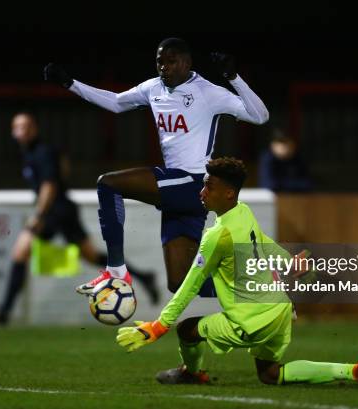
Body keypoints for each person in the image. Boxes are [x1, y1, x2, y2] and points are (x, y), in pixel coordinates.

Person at [115, 157, 358, 386]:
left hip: (252, 321)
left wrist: (160, 325)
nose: (202, 192)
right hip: (279, 310)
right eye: (203, 185)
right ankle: (355, 370)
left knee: (187, 329)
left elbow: (191, 283)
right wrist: (291, 263)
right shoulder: (243, 212)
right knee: (270, 374)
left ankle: (192, 373)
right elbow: (265, 243)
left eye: (209, 186)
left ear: (229, 194)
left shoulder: (217, 235)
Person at [43, 38, 269, 297]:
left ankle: (115, 270)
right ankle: (261, 292)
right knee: (180, 283)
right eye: (160, 61)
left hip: (193, 182)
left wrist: (233, 77)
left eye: (171, 61)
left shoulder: (208, 92)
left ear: (186, 63)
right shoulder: (153, 88)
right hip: (180, 191)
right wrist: (70, 84)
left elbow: (260, 116)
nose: (164, 67)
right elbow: (116, 102)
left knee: (108, 183)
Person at [0, 112, 159, 326]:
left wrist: (39, 215)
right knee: (90, 256)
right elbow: (62, 169)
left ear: (34, 128)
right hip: (61, 210)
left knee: (20, 253)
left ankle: (4, 312)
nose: (20, 132)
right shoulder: (32, 153)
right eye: (17, 127)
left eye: (25, 126)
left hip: (57, 211)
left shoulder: (41, 152)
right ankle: (144, 277)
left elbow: (50, 185)